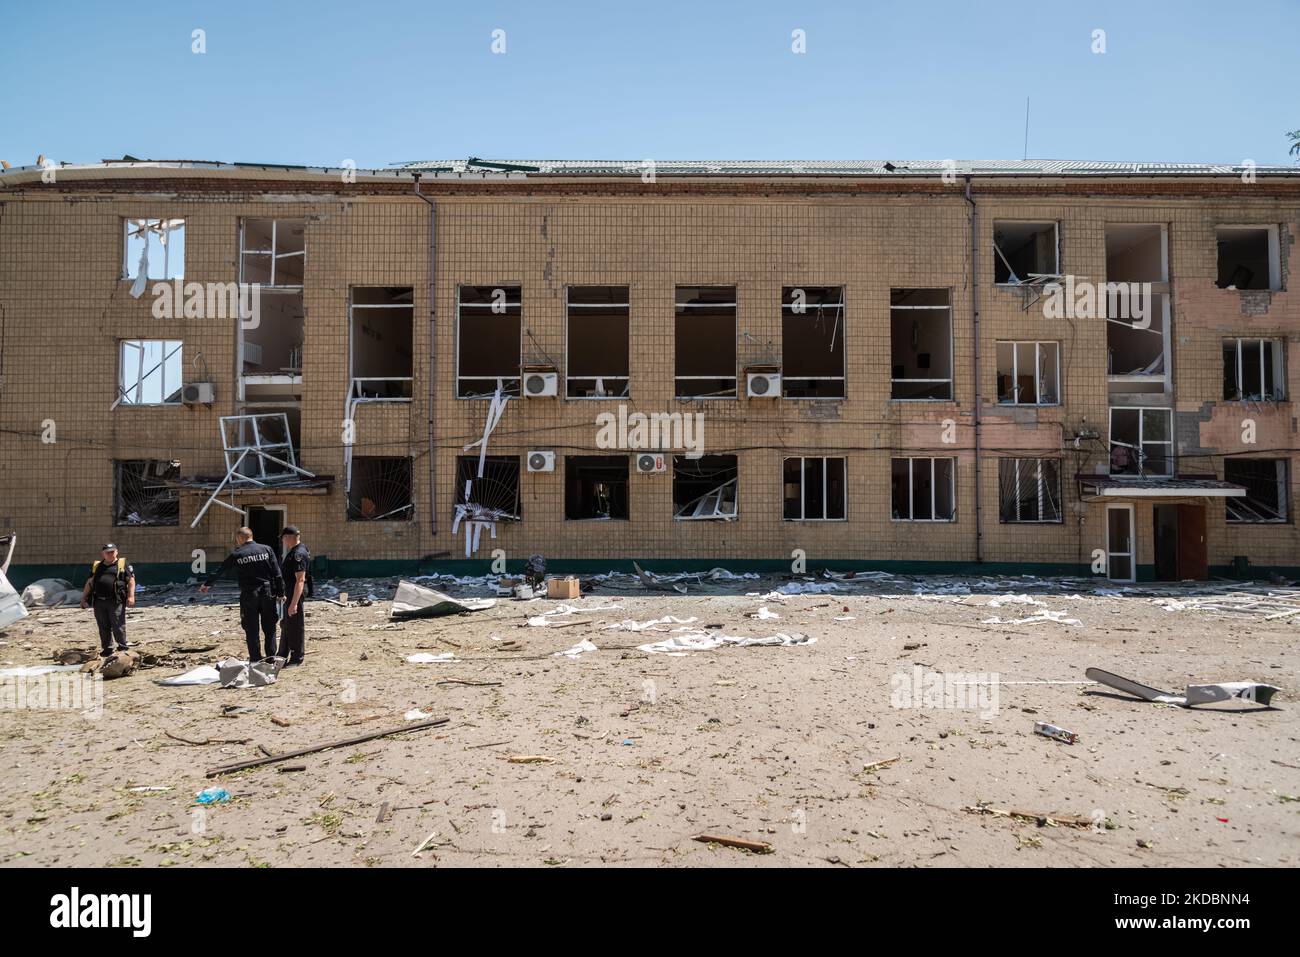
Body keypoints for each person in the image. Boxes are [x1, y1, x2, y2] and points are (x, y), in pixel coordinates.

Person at [199, 527, 284, 661]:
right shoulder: (267, 549)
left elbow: (221, 569)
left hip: (249, 595)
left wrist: (207, 584)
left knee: (251, 629)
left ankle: (256, 660)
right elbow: (277, 573)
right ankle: (271, 659)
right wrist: (280, 593)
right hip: (268, 593)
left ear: (240, 538)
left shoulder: (237, 554)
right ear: (251, 535)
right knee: (270, 628)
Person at [80, 543, 135, 656]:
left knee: (118, 625)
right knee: (103, 626)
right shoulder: (97, 566)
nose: (110, 554)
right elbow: (90, 582)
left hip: (115, 600)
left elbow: (131, 581)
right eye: (107, 552)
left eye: (112, 552)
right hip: (99, 601)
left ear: (116, 552)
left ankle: (122, 647)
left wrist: (131, 596)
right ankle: (107, 649)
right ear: (103, 554)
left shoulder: (122, 564)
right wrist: (84, 598)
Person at [278, 525, 312, 666]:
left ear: (288, 537)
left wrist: (294, 603)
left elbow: (300, 580)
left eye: (283, 538)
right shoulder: (296, 551)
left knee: (295, 626)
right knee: (286, 624)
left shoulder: (298, 554)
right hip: (290, 593)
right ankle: (282, 655)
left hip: (295, 594)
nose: (282, 542)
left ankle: (297, 657)